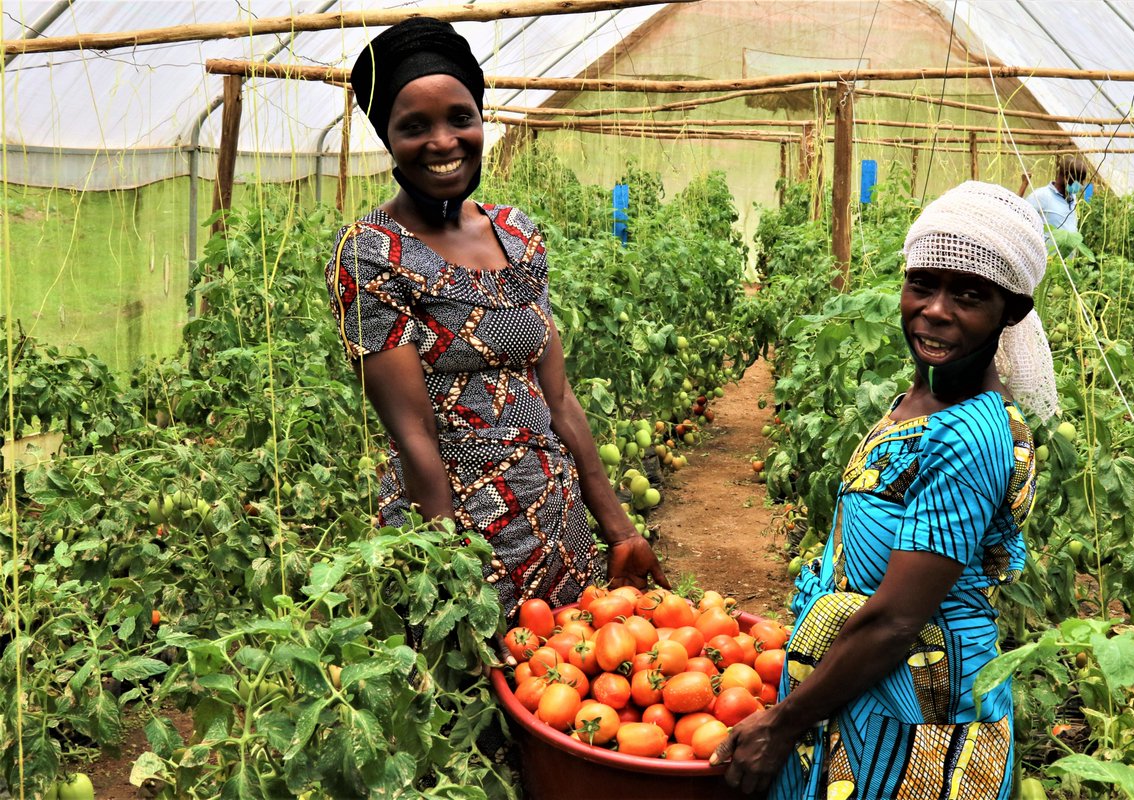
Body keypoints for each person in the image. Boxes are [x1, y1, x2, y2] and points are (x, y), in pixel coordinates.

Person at [713, 181, 1058, 799]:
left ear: (1013, 312)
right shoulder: (920, 397)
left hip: (919, 718)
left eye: (970, 295)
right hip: (860, 690)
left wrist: (783, 724)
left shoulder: (970, 432)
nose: (935, 310)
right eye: (922, 284)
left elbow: (898, 620)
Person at [325, 18, 668, 620]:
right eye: (414, 127)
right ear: (388, 139)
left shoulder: (517, 234)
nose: (443, 141)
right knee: (477, 704)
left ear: (481, 120)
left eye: (460, 118)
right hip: (457, 535)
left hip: (560, 528)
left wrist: (617, 527)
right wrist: (456, 580)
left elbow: (558, 399)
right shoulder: (369, 252)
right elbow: (413, 434)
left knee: (575, 688)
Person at [1026, 156, 1089, 247]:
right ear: (1066, 176)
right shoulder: (1041, 196)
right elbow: (1021, 220)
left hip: (1067, 260)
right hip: (1049, 259)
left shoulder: (1073, 198)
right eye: (1078, 180)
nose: (1081, 185)